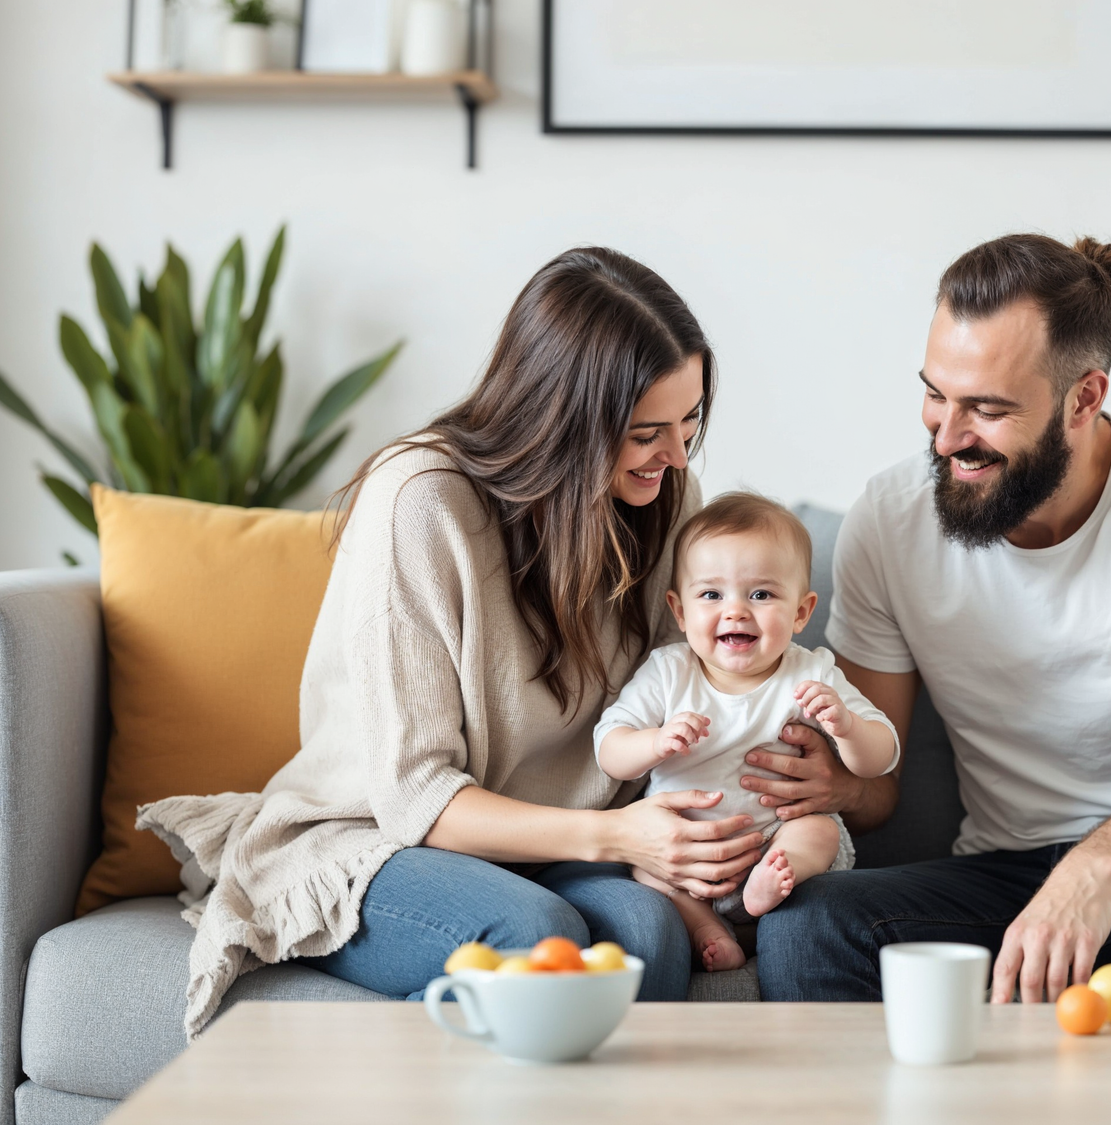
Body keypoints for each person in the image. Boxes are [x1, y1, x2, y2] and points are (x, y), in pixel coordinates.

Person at [139, 247, 767, 1037]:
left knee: (647, 937)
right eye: (647, 431)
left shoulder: (664, 498)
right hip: (377, 837)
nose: (676, 455)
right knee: (534, 939)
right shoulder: (421, 501)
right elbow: (416, 797)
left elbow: (690, 688)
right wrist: (614, 834)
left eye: (690, 421)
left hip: (555, 846)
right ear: (563, 418)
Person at [756, 233, 1111, 1005]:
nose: (947, 435)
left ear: (1084, 398)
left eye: (987, 409)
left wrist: (1090, 872)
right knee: (809, 924)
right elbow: (880, 780)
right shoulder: (890, 520)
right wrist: (835, 783)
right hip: (1011, 868)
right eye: (936, 392)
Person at [595, 493, 898, 972]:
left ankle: (775, 879)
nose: (735, 611)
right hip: (686, 854)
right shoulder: (669, 672)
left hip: (777, 839)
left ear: (801, 613)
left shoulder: (812, 674)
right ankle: (706, 928)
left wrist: (847, 727)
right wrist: (653, 743)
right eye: (711, 595)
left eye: (760, 594)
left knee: (818, 830)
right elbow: (610, 747)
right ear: (679, 610)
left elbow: (882, 755)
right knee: (644, 872)